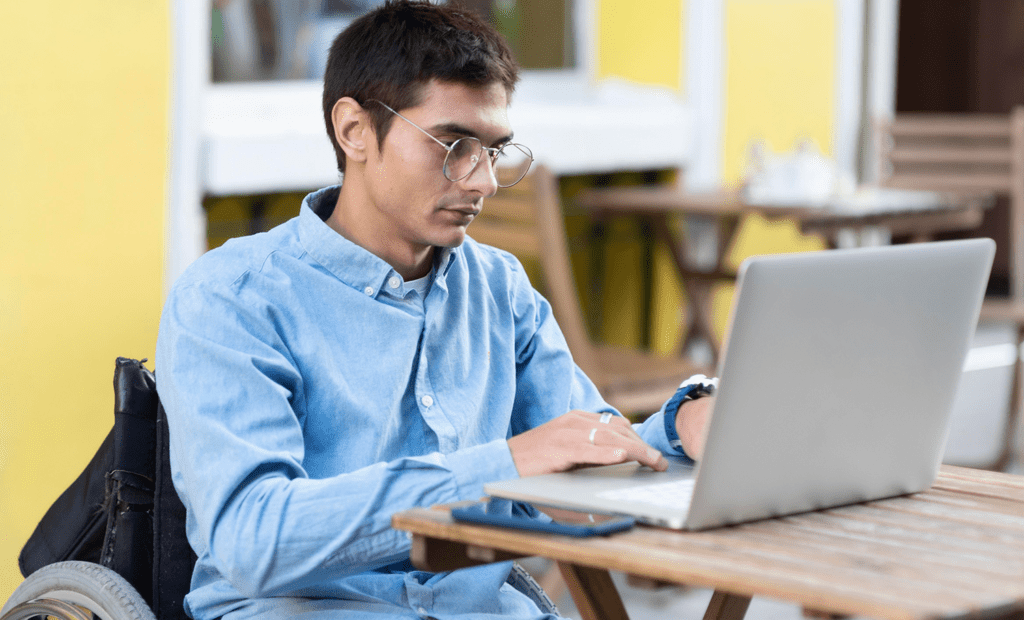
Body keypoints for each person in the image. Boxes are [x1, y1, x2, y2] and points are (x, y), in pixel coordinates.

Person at [156, 2, 715, 618]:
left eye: (494, 150)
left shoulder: (499, 287)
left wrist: (682, 428)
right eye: (452, 144)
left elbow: (579, 454)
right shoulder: (232, 297)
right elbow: (253, 539)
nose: (483, 182)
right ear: (354, 130)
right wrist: (505, 465)